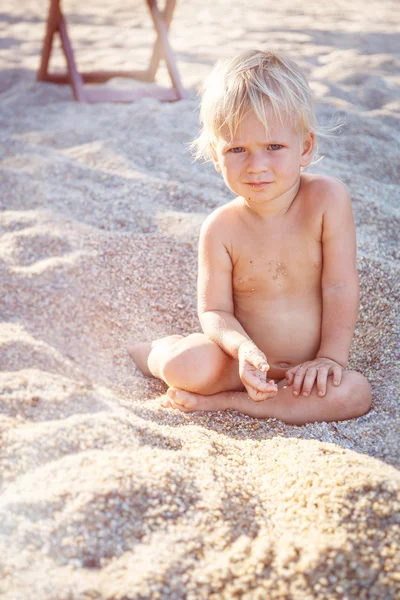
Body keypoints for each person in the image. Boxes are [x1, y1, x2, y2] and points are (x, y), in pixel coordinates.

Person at [128, 49, 372, 425]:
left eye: (274, 147)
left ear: (304, 147)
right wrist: (242, 350)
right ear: (215, 155)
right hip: (237, 363)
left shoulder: (327, 200)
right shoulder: (221, 227)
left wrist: (330, 358)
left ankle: (227, 403)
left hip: (304, 374)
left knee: (355, 395)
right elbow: (214, 311)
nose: (257, 166)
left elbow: (339, 286)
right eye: (237, 150)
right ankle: (154, 353)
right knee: (183, 366)